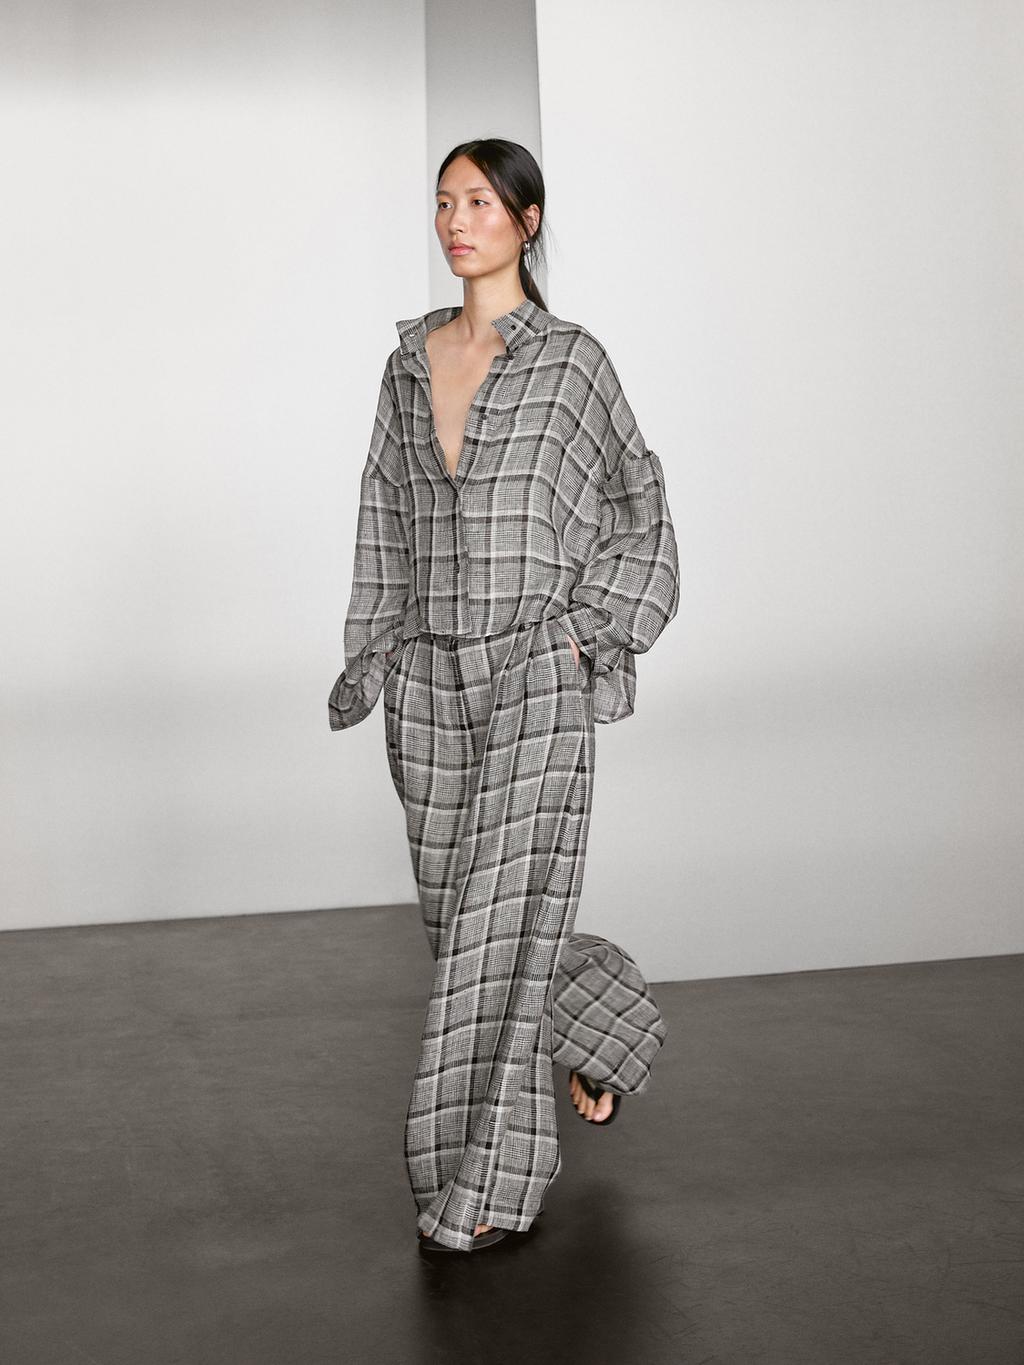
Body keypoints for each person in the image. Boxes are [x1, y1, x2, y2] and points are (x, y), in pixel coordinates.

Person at [328, 138, 681, 1253]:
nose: (456, 221)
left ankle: (483, 1185)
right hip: (429, 680)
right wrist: (377, 651)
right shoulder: (406, 364)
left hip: (536, 670)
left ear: (527, 220)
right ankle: (609, 1022)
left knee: (495, 925)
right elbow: (384, 514)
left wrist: (586, 636)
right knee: (464, 925)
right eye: (444, 202)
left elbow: (640, 504)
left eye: (479, 201)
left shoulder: (573, 364)